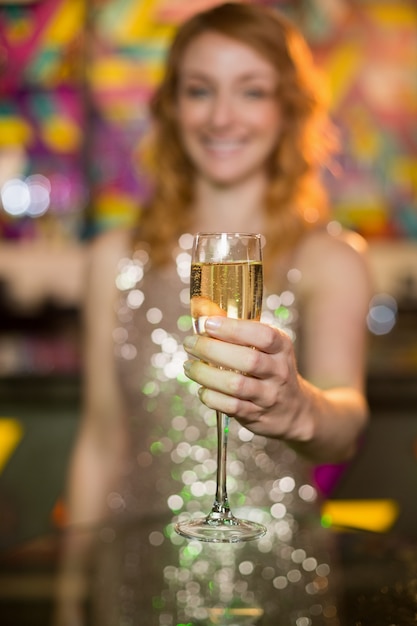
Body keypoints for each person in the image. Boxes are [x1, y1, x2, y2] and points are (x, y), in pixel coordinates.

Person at [54, 3, 371, 625]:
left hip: (276, 575)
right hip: (136, 573)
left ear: (289, 108)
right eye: (200, 90)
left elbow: (348, 420)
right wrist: (70, 595)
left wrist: (300, 407)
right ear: (172, 107)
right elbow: (100, 440)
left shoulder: (330, 259)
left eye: (251, 91)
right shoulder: (112, 258)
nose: (222, 116)